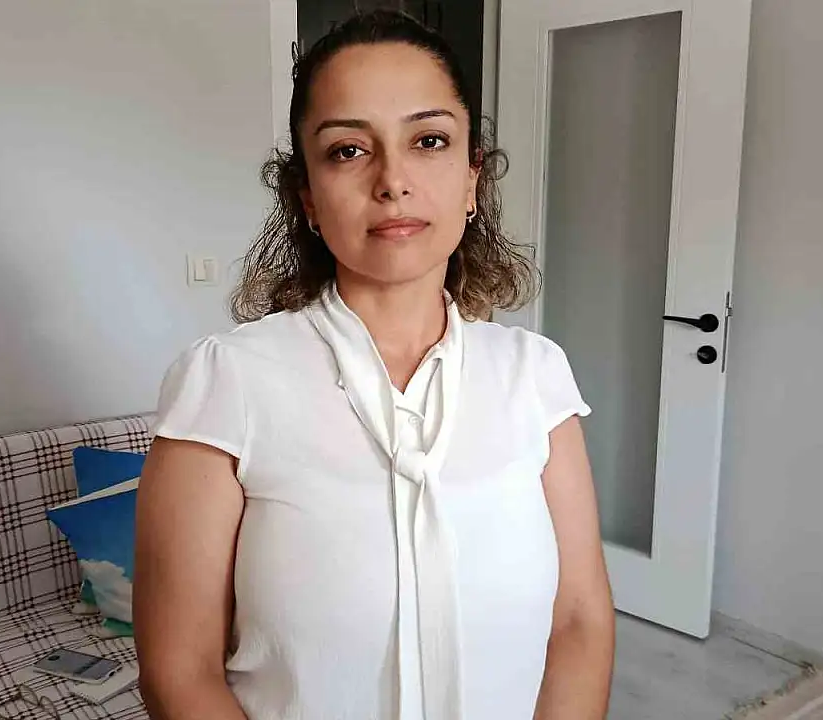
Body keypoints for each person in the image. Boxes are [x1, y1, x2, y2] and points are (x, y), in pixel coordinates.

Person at [133, 10, 614, 720]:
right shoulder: (225, 383)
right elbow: (179, 672)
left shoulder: (536, 376)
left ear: (472, 180)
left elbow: (579, 622)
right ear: (307, 199)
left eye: (429, 140)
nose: (393, 180)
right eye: (348, 151)